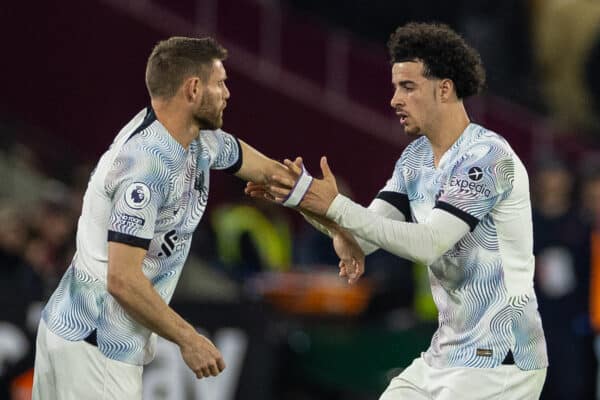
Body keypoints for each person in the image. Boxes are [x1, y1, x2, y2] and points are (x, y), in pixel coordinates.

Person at [31, 36, 362, 399]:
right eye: (220, 83)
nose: (227, 94)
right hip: (95, 344)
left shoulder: (201, 142)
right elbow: (122, 279)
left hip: (79, 335)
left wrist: (335, 224)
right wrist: (189, 339)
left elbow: (273, 175)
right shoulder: (144, 168)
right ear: (192, 89)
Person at [249, 22, 548, 399]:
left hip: (502, 360)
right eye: (394, 87)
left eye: (408, 87)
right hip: (447, 354)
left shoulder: (487, 158)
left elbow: (429, 243)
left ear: (445, 88)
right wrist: (301, 199)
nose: (394, 99)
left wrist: (332, 203)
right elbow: (360, 238)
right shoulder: (415, 159)